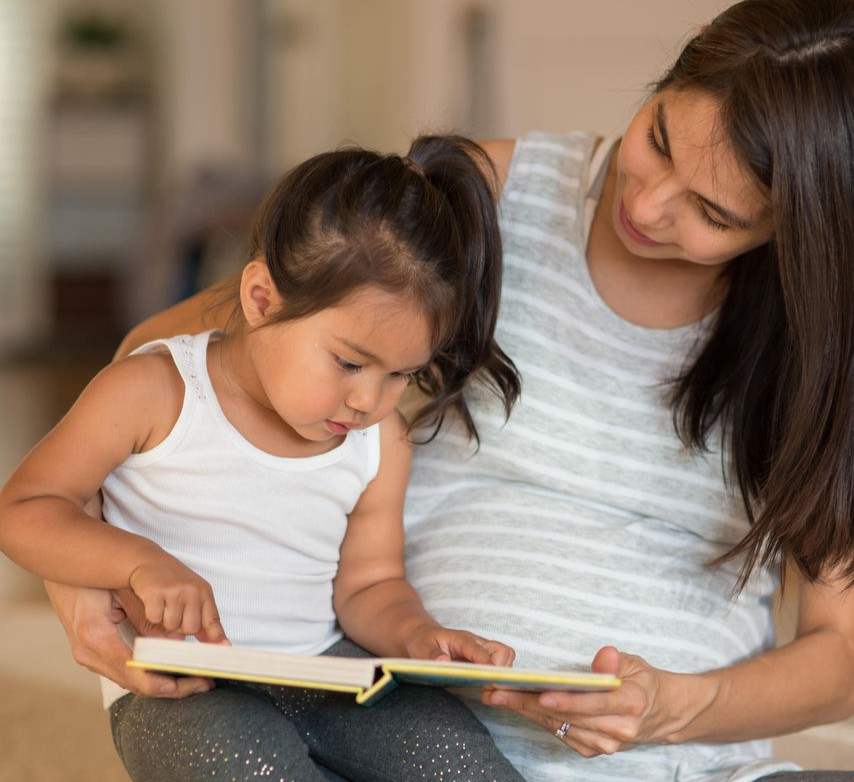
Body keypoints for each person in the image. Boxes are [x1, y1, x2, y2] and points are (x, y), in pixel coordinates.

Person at [38, 0, 854, 780]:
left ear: (797, 223)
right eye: (661, 140)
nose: (646, 204)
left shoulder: (818, 337)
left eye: (713, 212)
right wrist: (83, 589)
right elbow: (163, 364)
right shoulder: (483, 195)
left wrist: (680, 707)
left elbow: (839, 653)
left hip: (679, 764)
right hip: (377, 728)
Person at [0, 136, 529, 782]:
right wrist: (138, 563)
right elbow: (24, 510)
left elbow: (369, 585)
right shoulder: (154, 390)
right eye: (349, 362)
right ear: (260, 298)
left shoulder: (378, 440)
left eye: (402, 375)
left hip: (329, 672)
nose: (368, 399)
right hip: (187, 689)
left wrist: (420, 636)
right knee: (244, 765)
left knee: (456, 757)